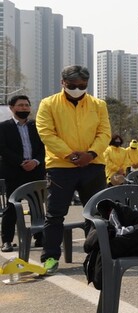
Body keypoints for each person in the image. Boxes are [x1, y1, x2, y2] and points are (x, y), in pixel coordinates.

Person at [35, 65, 111, 273]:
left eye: (82, 86)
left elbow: (105, 133)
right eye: (72, 85)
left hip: (93, 166)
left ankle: (97, 255)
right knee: (55, 214)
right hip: (61, 167)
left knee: (96, 213)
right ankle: (50, 257)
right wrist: (69, 155)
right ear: (62, 83)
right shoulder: (48, 104)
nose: (77, 89)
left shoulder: (98, 104)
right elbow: (46, 133)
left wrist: (92, 154)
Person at [0, 95, 46, 253]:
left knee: (37, 205)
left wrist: (36, 162)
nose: (24, 108)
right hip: (15, 172)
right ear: (11, 108)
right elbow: (3, 149)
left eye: (27, 105)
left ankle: (40, 237)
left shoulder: (37, 126)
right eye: (20, 105)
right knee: (12, 206)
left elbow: (44, 147)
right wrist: (21, 162)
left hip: (36, 170)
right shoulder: (3, 127)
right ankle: (6, 240)